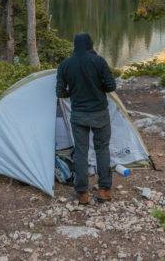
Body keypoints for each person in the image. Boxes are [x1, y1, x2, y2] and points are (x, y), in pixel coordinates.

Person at [56, 33, 116, 205]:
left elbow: (60, 92)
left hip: (79, 115)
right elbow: (111, 86)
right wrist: (99, 88)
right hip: (100, 114)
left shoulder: (65, 65)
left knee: (81, 152)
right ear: (90, 44)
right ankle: (104, 190)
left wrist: (72, 93)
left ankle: (82, 193)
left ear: (75, 45)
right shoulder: (99, 61)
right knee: (102, 149)